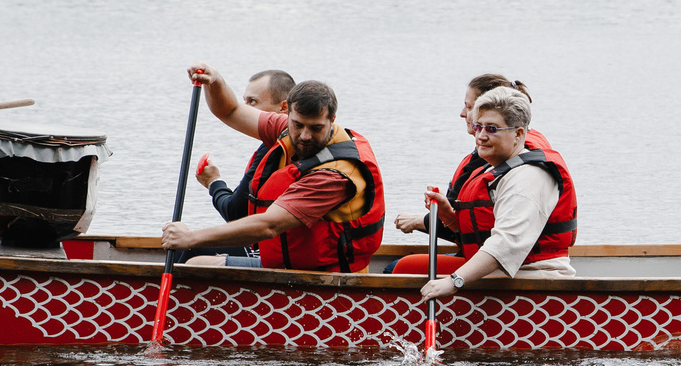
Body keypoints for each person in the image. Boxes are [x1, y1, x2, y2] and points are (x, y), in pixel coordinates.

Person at [160, 73, 385, 270]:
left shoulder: (335, 176)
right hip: (287, 261)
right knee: (190, 250)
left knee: (197, 262)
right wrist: (214, 79)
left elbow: (269, 226)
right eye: (298, 125)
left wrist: (190, 237)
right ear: (289, 115)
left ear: (332, 121)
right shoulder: (285, 129)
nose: (305, 136)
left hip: (325, 278)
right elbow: (230, 110)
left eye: (316, 128)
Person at [409, 88, 579, 297]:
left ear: (518, 134)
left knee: (402, 268)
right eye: (478, 127)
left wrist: (453, 282)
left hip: (533, 285)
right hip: (500, 276)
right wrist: (449, 217)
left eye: (492, 129)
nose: (481, 136)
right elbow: (482, 234)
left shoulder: (528, 177)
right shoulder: (496, 169)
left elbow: (506, 245)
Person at [393, 72, 551, 250]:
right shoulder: (514, 150)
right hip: (484, 254)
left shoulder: (506, 160)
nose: (462, 114)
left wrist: (420, 220)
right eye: (479, 127)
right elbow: (470, 226)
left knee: (397, 265)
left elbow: (496, 242)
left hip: (504, 261)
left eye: (469, 107)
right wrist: (445, 212)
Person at [194, 70, 296, 237]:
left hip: (274, 245)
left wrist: (213, 182)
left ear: (284, 107)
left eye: (253, 102)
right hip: (275, 241)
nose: (245, 109)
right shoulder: (290, 139)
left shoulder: (275, 149)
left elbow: (235, 214)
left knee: (189, 247)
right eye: (244, 101)